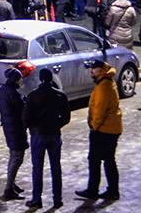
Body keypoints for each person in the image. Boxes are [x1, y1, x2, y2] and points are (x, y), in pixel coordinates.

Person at [23, 67, 70, 208]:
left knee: (37, 168)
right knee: (56, 167)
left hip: (38, 135)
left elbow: (26, 117)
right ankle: (58, 199)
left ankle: (37, 199)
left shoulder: (33, 95)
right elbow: (66, 118)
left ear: (41, 79)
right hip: (55, 134)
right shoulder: (61, 95)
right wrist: (56, 125)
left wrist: (32, 128)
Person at [76, 58, 121, 201]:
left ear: (100, 70)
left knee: (95, 161)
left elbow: (99, 110)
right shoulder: (107, 81)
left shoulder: (103, 85)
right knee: (108, 160)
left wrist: (94, 126)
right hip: (111, 128)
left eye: (93, 69)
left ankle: (94, 190)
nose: (91, 72)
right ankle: (112, 190)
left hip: (104, 130)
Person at [0, 67, 28, 200]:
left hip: (9, 128)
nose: (21, 81)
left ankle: (12, 183)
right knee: (17, 158)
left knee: (13, 157)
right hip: (15, 129)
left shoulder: (3, 90)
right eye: (20, 78)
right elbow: (22, 110)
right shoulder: (13, 94)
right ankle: (8, 189)